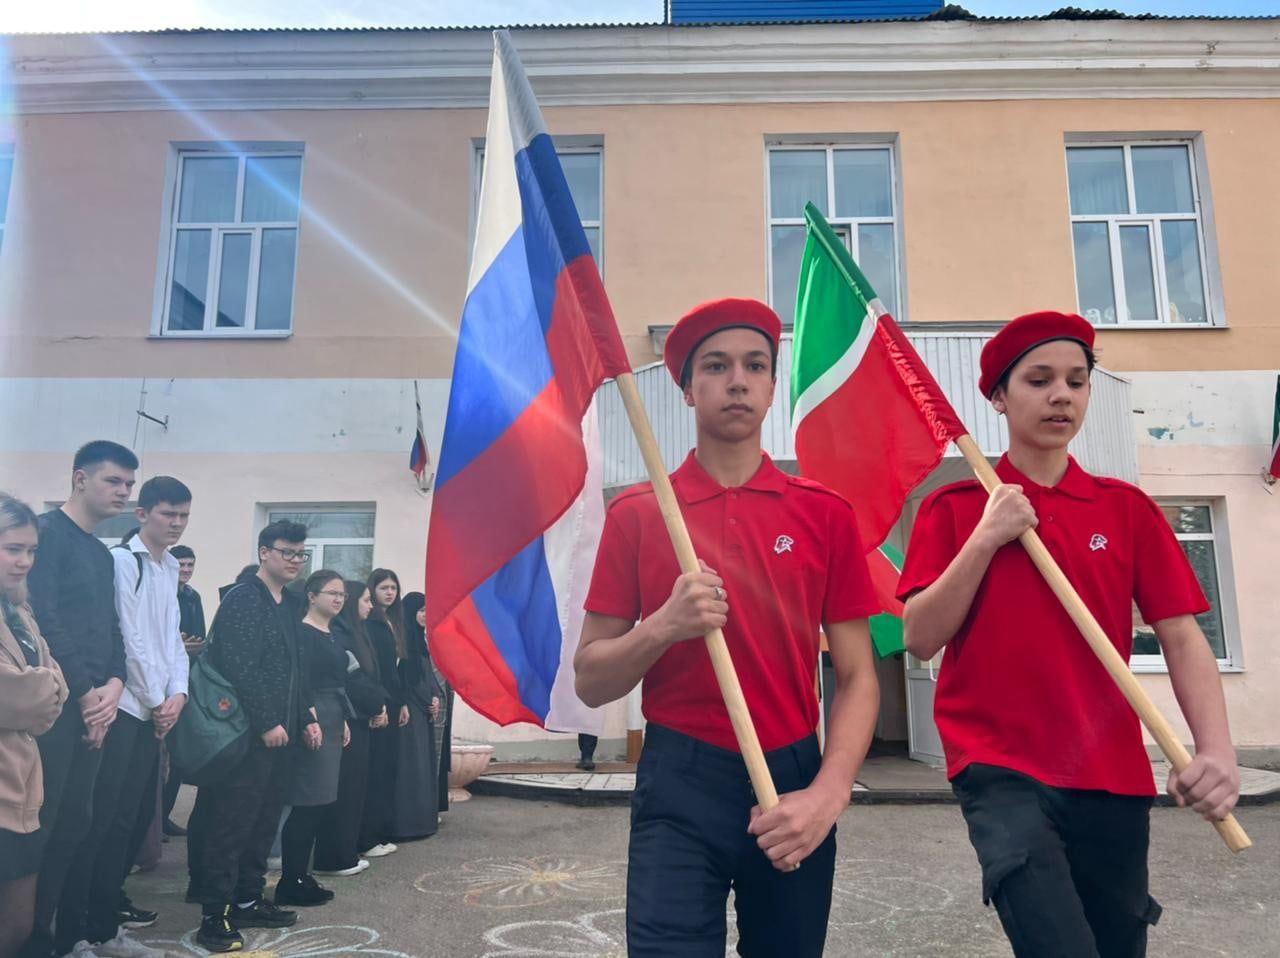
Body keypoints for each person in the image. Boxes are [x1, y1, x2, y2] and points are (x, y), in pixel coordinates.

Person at [898, 310, 1241, 958]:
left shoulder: (1125, 509)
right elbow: (919, 635)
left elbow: (1182, 635)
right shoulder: (955, 510)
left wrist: (1214, 750)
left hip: (1111, 774)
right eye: (1039, 379)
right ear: (999, 396)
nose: (1061, 395)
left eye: (1077, 381)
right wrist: (988, 536)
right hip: (1001, 770)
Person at [575, 298, 882, 957]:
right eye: (715, 366)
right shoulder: (638, 513)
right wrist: (662, 627)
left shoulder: (824, 514)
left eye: (755, 365)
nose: (737, 380)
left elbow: (858, 677)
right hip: (680, 777)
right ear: (687, 389)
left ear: (773, 385)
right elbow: (592, 678)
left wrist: (828, 797)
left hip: (793, 773)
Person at [56, 478, 193, 958]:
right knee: (99, 823)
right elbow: (128, 638)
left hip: (154, 711)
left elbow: (172, 639)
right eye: (166, 514)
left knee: (129, 825)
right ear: (142, 515)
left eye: (182, 516)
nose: (175, 524)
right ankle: (74, 933)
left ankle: (104, 927)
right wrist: (157, 700)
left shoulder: (170, 566)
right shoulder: (123, 562)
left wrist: (179, 693)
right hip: (125, 710)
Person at [21, 440, 136, 958]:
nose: (124, 493)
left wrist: (114, 685)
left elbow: (110, 628)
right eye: (115, 481)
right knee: (44, 830)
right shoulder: (44, 538)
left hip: (97, 707)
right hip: (54, 710)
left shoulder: (99, 552)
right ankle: (30, 940)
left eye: (129, 485)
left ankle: (68, 935)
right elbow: (47, 623)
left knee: (78, 824)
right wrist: (90, 695)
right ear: (79, 478)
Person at [188, 521, 314, 953]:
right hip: (249, 733)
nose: (295, 561)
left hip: (283, 733)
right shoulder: (245, 599)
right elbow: (241, 667)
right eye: (287, 552)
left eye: (301, 554)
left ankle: (247, 897)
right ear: (264, 553)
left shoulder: (289, 602)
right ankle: (214, 916)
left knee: (263, 822)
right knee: (232, 823)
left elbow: (295, 670)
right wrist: (265, 722)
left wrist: (304, 716)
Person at [0, 495, 68, 958]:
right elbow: (13, 693)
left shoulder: (19, 610)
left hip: (22, 788)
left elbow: (51, 693)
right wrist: (41, 685)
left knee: (19, 925)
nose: (25, 561)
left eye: (32, 550)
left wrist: (38, 686)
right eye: (13, 548)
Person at [276, 571, 351, 907]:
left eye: (342, 594)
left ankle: (303, 874)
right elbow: (299, 679)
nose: (338, 599)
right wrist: (309, 717)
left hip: (334, 714)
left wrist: (343, 719)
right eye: (331, 592)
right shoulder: (302, 633)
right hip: (313, 715)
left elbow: (340, 679)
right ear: (311, 595)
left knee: (322, 801)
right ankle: (290, 880)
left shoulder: (334, 634)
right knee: (307, 801)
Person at [313, 581, 387, 877]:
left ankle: (346, 850)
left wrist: (378, 703)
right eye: (366, 600)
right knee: (344, 790)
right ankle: (335, 857)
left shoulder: (355, 632)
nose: (370, 605)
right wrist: (376, 705)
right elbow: (352, 680)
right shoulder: (340, 635)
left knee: (354, 789)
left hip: (356, 717)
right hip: (346, 719)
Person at [357, 569, 408, 859]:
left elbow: (397, 668)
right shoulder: (373, 625)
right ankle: (369, 836)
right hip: (380, 704)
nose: (389, 592)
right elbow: (380, 671)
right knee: (376, 771)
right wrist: (386, 704)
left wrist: (400, 702)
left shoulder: (393, 621)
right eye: (383, 587)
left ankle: (379, 830)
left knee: (387, 768)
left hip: (392, 701)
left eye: (393, 587)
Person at [162, 544, 204, 838]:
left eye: (190, 565)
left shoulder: (193, 596)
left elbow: (198, 633)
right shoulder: (163, 591)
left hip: (185, 673)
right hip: (161, 676)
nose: (186, 570)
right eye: (182, 565)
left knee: (177, 754)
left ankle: (164, 813)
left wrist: (191, 646)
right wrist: (177, 644)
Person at [392, 593, 440, 842]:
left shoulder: (420, 641)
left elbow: (426, 676)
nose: (424, 615)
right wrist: (423, 700)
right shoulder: (403, 640)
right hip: (409, 712)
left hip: (422, 711)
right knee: (411, 766)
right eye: (420, 610)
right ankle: (408, 824)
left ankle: (423, 819)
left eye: (426, 610)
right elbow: (404, 679)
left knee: (422, 764)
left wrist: (434, 698)